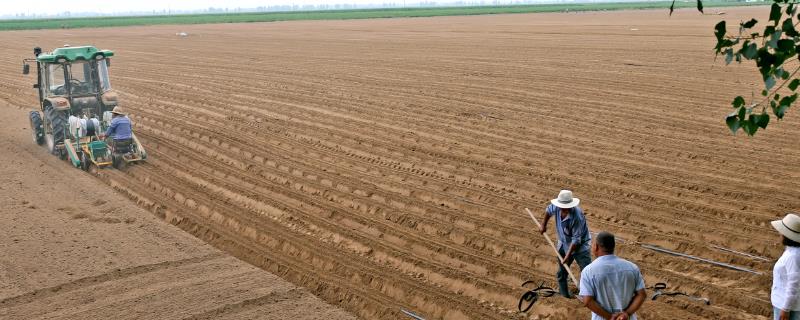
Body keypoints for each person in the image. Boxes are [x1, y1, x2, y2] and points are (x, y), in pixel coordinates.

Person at [579, 231, 646, 320]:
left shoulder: (588, 271)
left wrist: (610, 317)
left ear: (596, 246)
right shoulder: (632, 268)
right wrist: (626, 313)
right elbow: (642, 295)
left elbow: (587, 301)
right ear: (613, 247)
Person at [540, 189, 592, 298]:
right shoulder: (557, 207)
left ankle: (587, 295)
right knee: (562, 272)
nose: (563, 209)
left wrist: (568, 256)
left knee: (587, 272)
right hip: (563, 243)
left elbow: (576, 240)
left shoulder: (577, 216)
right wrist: (543, 225)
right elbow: (548, 211)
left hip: (580, 247)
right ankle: (564, 295)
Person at [771, 213, 800, 320]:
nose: (779, 234)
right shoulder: (792, 251)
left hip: (786, 307)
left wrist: (785, 309)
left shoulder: (793, 256)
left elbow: (793, 285)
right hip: (786, 304)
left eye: (781, 232)